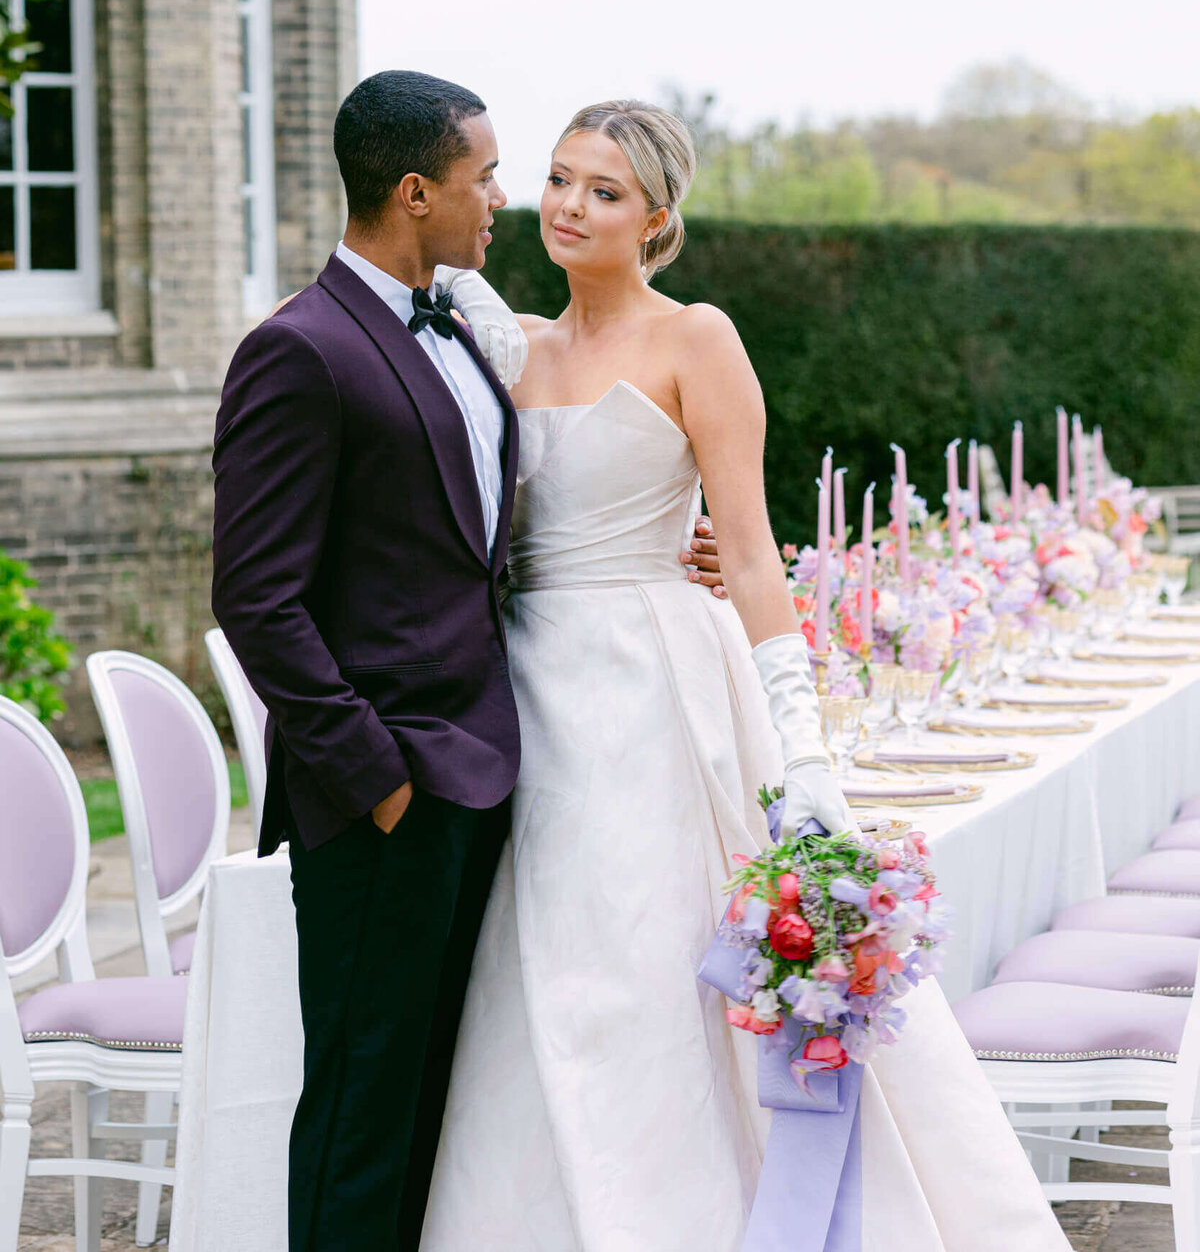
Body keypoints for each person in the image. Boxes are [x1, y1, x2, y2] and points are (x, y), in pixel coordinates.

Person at [419, 99, 1069, 1251]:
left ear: (657, 217)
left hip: (660, 695)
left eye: (604, 191)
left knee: (651, 961)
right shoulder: (507, 346)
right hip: (527, 694)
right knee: (547, 970)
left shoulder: (696, 339)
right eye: (561, 180)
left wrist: (804, 743)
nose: (570, 206)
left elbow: (754, 550)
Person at [210, 71, 720, 1252]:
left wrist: (665, 539)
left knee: (433, 1104)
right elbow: (256, 598)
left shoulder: (462, 330)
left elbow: (495, 526)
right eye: (484, 176)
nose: (502, 198)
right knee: (360, 1105)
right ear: (413, 191)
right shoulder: (302, 350)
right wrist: (375, 776)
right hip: (385, 793)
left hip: (485, 770)